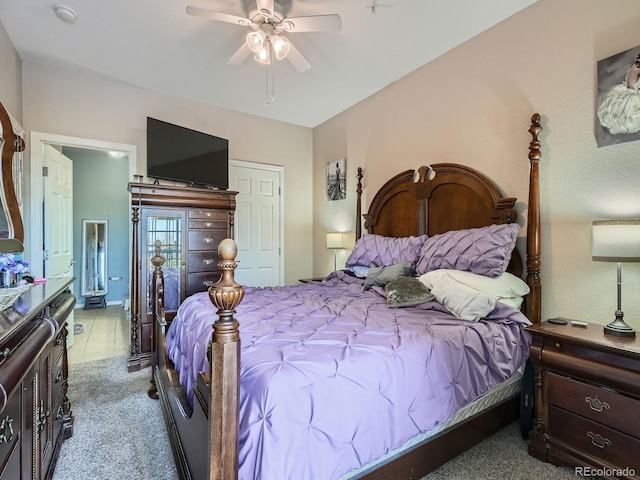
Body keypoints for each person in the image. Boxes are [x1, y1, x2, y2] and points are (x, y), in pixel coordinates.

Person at [597, 53, 640, 135]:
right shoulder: (633, 71)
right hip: (630, 91)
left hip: (629, 91)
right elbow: (631, 84)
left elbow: (629, 83)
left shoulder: (631, 70)